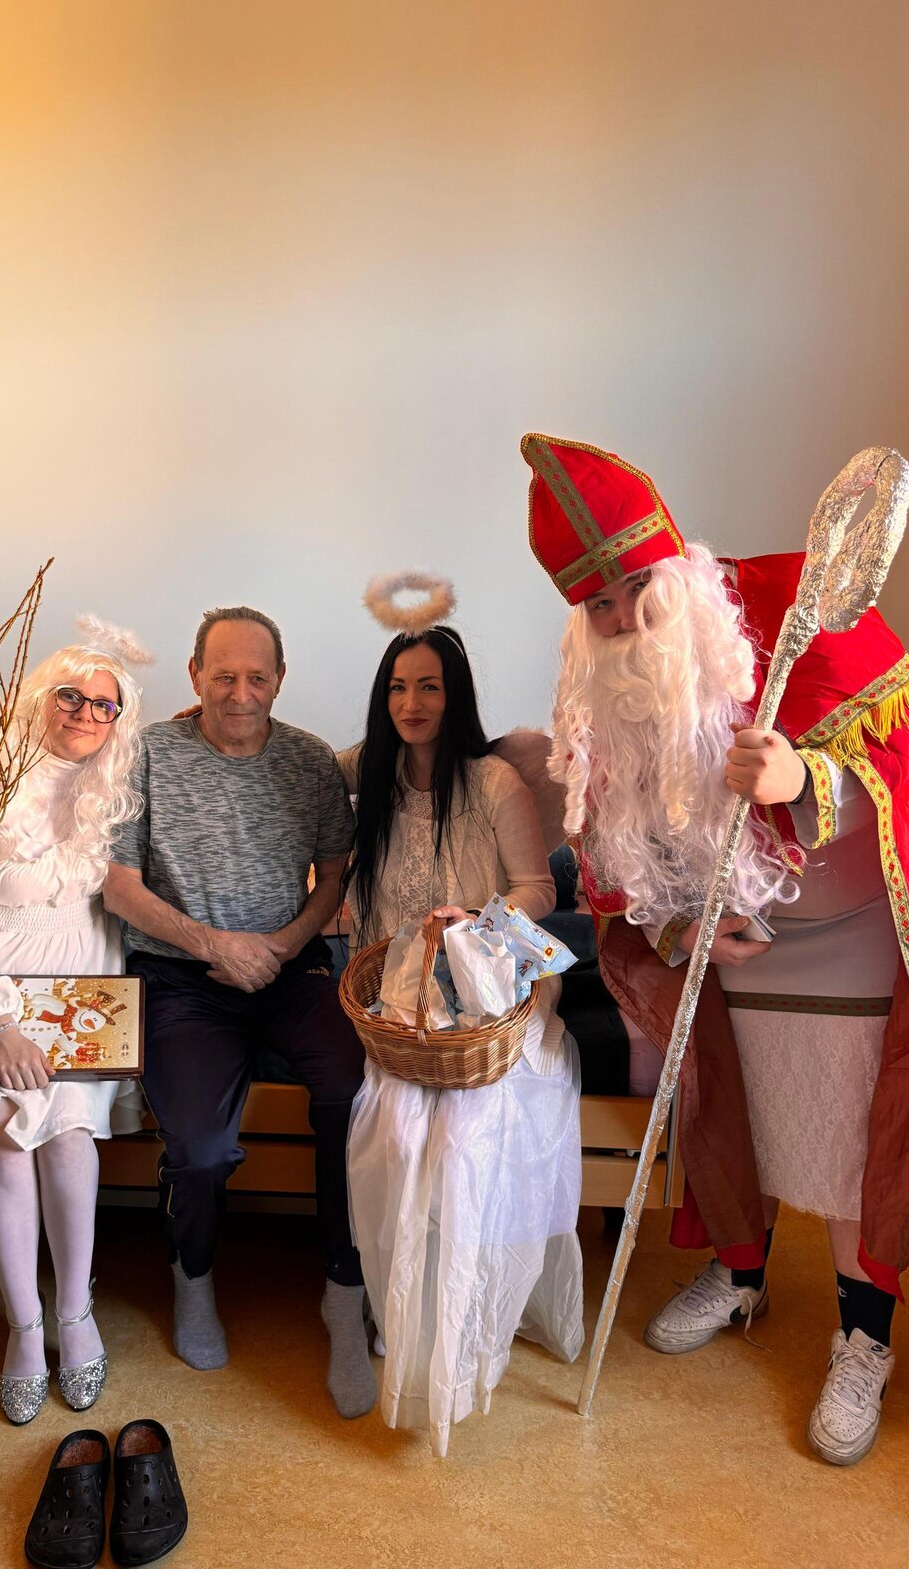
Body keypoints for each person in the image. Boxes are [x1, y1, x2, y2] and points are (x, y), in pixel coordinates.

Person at [525, 431, 909, 1466]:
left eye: (636, 588)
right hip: (734, 955)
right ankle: (740, 1274)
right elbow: (614, 858)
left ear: (672, 560)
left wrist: (804, 780)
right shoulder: (603, 700)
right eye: (597, 605)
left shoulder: (790, 615)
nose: (624, 619)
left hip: (853, 941)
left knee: (856, 1143)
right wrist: (678, 927)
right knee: (740, 1119)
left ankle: (864, 1335)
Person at [103, 605, 375, 1419]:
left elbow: (335, 873)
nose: (240, 693)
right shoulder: (146, 755)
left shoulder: (308, 759)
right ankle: (193, 1277)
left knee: (354, 1092)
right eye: (223, 675)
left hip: (291, 969)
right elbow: (120, 886)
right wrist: (211, 943)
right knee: (199, 1147)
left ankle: (344, 1289)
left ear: (280, 680)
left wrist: (282, 946)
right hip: (181, 980)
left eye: (257, 676)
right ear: (195, 675)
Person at [340, 618, 583, 1457]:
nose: (412, 702)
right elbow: (287, 759)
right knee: (398, 1130)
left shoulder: (490, 781)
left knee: (465, 1135)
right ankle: (399, 1307)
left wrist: (475, 918)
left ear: (455, 694)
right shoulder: (367, 773)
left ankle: (468, 1321)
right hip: (402, 1001)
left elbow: (538, 890)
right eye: (398, 687)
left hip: (493, 984)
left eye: (429, 686)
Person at [0, 629, 147, 1424]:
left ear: (119, 719)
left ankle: (75, 1313)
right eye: (70, 696)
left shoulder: (116, 790)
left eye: (103, 704)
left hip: (85, 990)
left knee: (71, 1135)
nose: (84, 713)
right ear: (40, 697)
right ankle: (23, 1326)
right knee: (3, 1135)